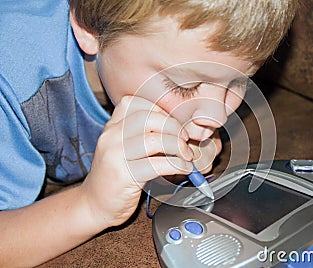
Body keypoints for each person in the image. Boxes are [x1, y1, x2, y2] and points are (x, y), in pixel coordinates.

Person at [0, 0, 297, 266]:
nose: (216, 117)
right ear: (90, 29)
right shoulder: (11, 73)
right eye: (185, 86)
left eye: (238, 83)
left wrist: (170, 157)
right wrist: (90, 207)